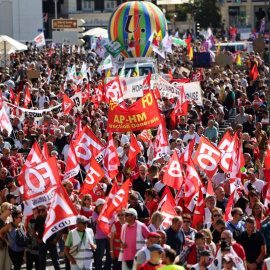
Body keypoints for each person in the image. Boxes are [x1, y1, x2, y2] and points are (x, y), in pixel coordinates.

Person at [33, 205, 62, 270]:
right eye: (39, 210)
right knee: (42, 263)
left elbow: (61, 229)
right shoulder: (38, 218)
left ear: (47, 209)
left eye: (43, 210)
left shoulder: (53, 216)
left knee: (56, 262)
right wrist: (38, 239)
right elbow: (34, 231)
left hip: (52, 242)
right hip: (42, 242)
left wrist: (57, 240)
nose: (41, 212)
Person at [92, 198, 111, 270]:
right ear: (98, 206)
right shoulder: (95, 214)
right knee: (100, 256)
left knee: (109, 255)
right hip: (99, 238)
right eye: (102, 206)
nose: (104, 207)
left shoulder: (105, 213)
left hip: (107, 236)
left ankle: (108, 268)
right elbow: (99, 223)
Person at [0, 202, 12, 270]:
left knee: (8, 266)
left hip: (9, 246)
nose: (11, 211)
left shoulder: (10, 220)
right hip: (1, 246)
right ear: (4, 210)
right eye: (9, 209)